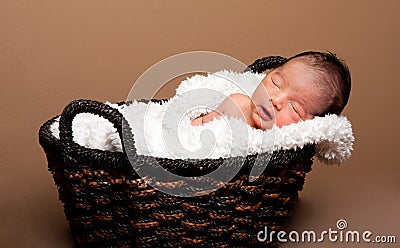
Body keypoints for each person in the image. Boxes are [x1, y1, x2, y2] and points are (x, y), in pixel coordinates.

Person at [191, 51, 351, 130]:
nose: (276, 100)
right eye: (275, 83)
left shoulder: (283, 145)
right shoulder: (237, 102)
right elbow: (198, 127)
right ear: (267, 75)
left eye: (295, 108)